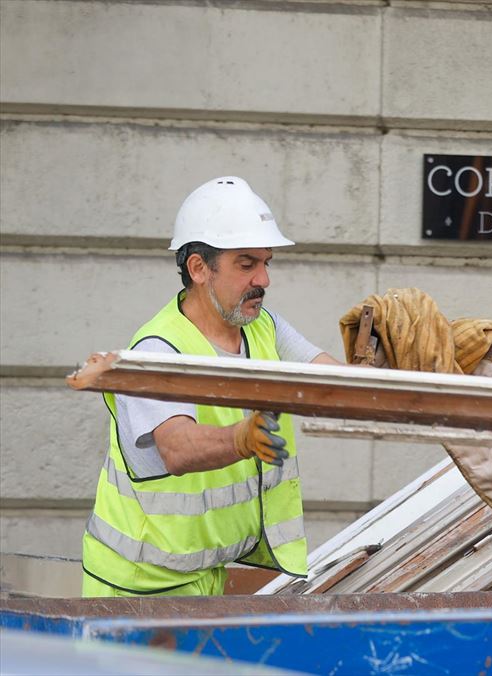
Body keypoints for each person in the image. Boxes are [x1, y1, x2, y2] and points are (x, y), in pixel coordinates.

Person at [81, 176, 341, 596]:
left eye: (266, 262)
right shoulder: (158, 350)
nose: (264, 279)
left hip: (210, 575)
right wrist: (241, 438)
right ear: (198, 268)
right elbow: (177, 447)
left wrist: (386, 365)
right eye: (246, 264)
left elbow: (331, 382)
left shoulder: (263, 328)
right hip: (140, 587)